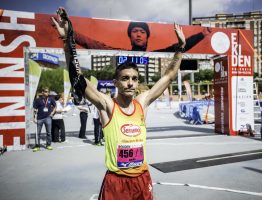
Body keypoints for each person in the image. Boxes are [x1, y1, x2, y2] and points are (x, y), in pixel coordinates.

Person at [52, 7, 185, 199]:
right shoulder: (107, 105)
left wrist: (180, 48)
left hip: (142, 179)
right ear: (116, 82)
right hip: (116, 182)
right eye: (125, 78)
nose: (130, 82)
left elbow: (169, 75)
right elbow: (78, 79)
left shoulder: (142, 102)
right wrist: (67, 40)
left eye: (134, 78)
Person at [68, 17, 210, 53]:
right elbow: (92, 44)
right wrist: (69, 32)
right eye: (134, 31)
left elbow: (178, 48)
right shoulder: (120, 53)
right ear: (129, 36)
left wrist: (202, 34)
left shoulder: (157, 53)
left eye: (142, 32)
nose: (138, 34)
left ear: (147, 36)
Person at [33, 87, 56, 152]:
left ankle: (48, 145)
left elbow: (55, 106)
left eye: (48, 91)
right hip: (39, 118)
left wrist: (52, 112)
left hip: (48, 117)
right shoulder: (38, 100)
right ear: (42, 92)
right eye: (46, 91)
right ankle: (37, 146)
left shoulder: (51, 99)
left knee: (49, 132)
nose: (47, 93)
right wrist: (34, 118)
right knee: (38, 133)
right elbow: (34, 109)